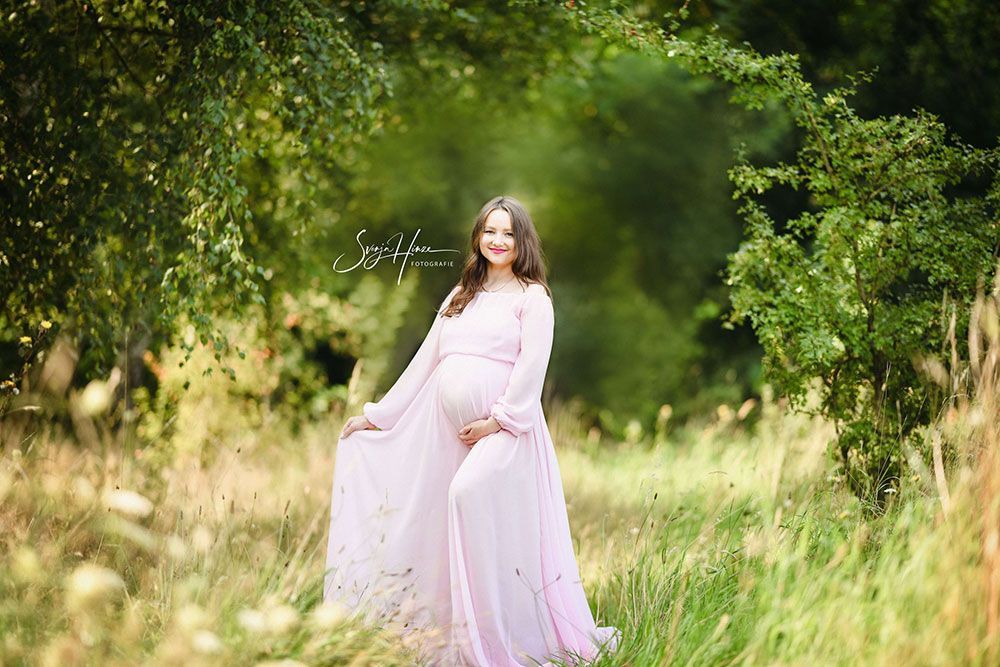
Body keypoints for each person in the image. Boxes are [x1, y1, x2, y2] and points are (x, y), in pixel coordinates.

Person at [324, 195, 620, 665]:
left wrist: (498, 420)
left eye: (508, 233)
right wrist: (379, 414)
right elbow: (425, 361)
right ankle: (457, 632)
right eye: (490, 231)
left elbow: (530, 369)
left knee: (465, 495)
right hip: (448, 431)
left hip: (506, 431)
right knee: (433, 515)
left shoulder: (532, 298)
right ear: (478, 237)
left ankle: (501, 636)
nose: (498, 241)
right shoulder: (461, 295)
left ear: (523, 241)